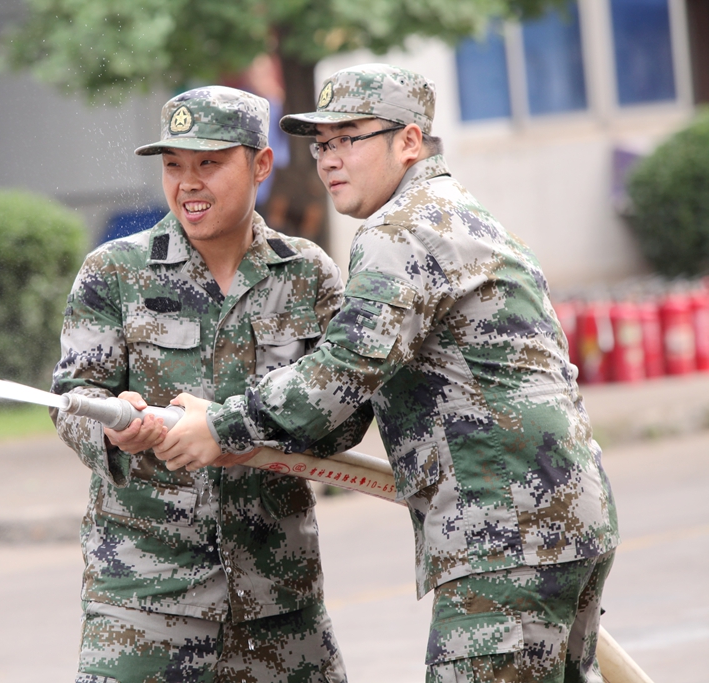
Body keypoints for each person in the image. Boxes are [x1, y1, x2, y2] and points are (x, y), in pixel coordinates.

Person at [155, 64, 619, 683]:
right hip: (562, 515)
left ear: (409, 141)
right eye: (322, 144)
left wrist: (221, 425)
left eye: (349, 138)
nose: (329, 159)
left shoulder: (400, 233)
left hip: (504, 528)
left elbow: (341, 375)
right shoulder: (461, 215)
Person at [51, 85, 366, 683]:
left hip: (279, 601)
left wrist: (250, 429)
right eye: (173, 166)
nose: (188, 183)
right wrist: (113, 426)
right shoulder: (114, 272)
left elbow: (346, 416)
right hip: (145, 599)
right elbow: (71, 400)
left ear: (261, 164)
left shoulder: (308, 275)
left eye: (209, 163)